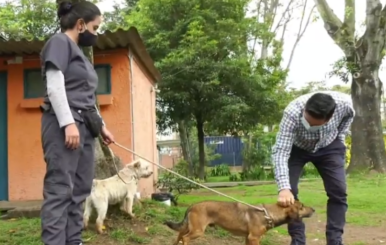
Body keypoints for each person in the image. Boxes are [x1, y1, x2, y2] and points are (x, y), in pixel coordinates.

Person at [39, 1, 115, 245]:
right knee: (60, 189)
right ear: (81, 24)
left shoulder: (80, 55)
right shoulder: (59, 42)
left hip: (85, 126)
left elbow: (87, 97)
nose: (96, 33)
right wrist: (68, 123)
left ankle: (74, 241)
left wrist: (101, 126)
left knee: (80, 190)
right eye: (95, 27)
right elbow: (54, 84)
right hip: (65, 125)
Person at [272, 91, 355, 245]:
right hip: (297, 148)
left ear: (329, 119)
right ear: (305, 109)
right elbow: (281, 150)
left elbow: (346, 122)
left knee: (338, 191)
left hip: (329, 146)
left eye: (314, 125)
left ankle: (335, 241)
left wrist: (340, 141)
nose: (309, 126)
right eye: (307, 121)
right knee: (290, 192)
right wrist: (283, 188)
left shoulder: (345, 106)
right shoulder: (292, 112)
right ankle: (298, 240)